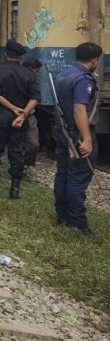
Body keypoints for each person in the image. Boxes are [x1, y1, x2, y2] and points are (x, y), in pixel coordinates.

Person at [53, 42, 102, 236]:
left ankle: (62, 216)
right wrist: (87, 139)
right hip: (77, 134)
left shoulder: (63, 74)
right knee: (77, 178)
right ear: (94, 60)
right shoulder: (83, 79)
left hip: (62, 133)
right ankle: (78, 223)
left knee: (63, 173)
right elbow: (79, 109)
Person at [0, 40, 39, 198]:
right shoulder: (28, 74)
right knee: (17, 153)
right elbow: (35, 98)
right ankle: (14, 190)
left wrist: (12, 108)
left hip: (0, 118)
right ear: (21, 57)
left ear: (5, 55)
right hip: (20, 120)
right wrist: (22, 114)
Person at [22, 59, 43, 169]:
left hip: (30, 116)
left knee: (33, 143)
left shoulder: (33, 82)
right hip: (19, 114)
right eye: (36, 71)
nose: (37, 74)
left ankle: (27, 164)